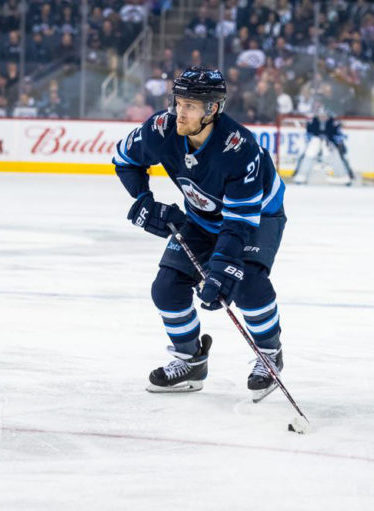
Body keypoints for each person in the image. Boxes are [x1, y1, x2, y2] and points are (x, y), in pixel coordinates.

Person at [114, 66, 287, 400]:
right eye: (178, 102)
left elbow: (239, 222)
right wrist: (144, 200)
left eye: (190, 106)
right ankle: (191, 360)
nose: (180, 112)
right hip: (201, 216)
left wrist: (222, 266)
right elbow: (124, 159)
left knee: (246, 283)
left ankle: (270, 353)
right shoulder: (161, 129)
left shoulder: (239, 149)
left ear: (213, 109)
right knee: (167, 288)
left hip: (259, 216)